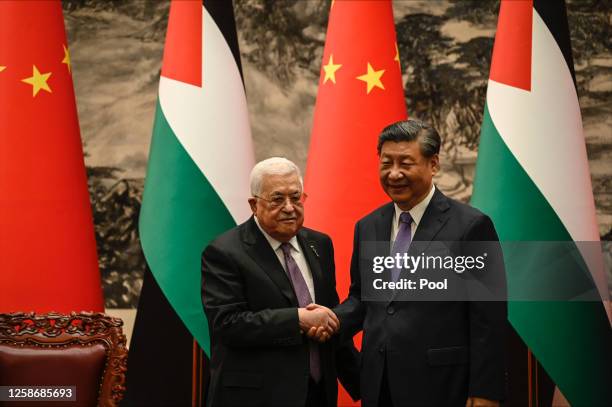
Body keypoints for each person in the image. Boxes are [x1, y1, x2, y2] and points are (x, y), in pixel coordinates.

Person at [334, 119, 507, 407]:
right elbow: (363, 299)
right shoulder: (368, 226)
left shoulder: (471, 226)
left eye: (406, 163)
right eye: (386, 163)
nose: (394, 173)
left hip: (442, 386)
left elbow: (487, 318)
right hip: (380, 385)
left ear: (434, 164)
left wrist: (486, 391)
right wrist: (329, 320)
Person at [201, 157, 360, 407]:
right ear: (254, 205)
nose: (289, 207)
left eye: (296, 197)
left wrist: (364, 382)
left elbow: (326, 316)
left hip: (317, 394)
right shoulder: (225, 251)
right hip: (257, 396)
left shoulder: (319, 244)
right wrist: (298, 319)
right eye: (277, 199)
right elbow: (227, 324)